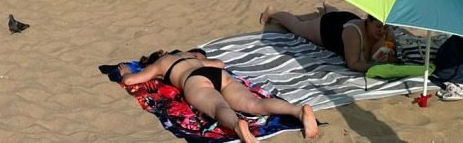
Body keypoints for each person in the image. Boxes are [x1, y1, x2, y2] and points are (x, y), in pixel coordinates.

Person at [121, 48, 318, 141]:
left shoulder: (161, 64)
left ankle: (238, 127)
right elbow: (220, 64)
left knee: (219, 108)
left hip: (195, 81)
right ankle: (298, 111)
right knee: (254, 103)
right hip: (219, 75)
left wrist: (126, 73)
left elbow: (131, 81)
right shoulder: (189, 56)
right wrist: (200, 58)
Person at [259, 5, 397, 74]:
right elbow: (353, 63)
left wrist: (390, 56)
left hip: (346, 18)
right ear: (368, 22)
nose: (382, 31)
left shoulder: (387, 32)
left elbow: (392, 59)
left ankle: (328, 7)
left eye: (385, 27)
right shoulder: (353, 34)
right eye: (378, 26)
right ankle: (273, 12)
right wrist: (376, 67)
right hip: (328, 28)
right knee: (298, 27)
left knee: (336, 14)